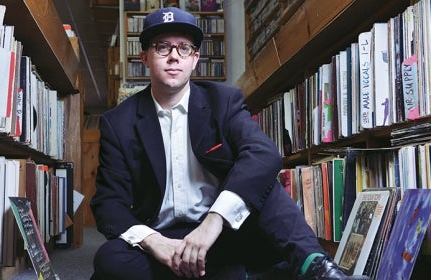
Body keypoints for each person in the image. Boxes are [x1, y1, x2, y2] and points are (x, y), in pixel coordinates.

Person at [90, 7, 370, 280]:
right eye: (162, 47)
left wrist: (214, 221)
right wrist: (154, 242)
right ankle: (243, 275)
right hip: (165, 240)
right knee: (110, 260)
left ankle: (318, 268)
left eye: (183, 48)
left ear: (195, 59)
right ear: (145, 58)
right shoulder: (119, 123)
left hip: (222, 232)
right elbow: (108, 204)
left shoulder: (222, 101)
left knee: (261, 181)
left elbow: (263, 154)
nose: (174, 57)